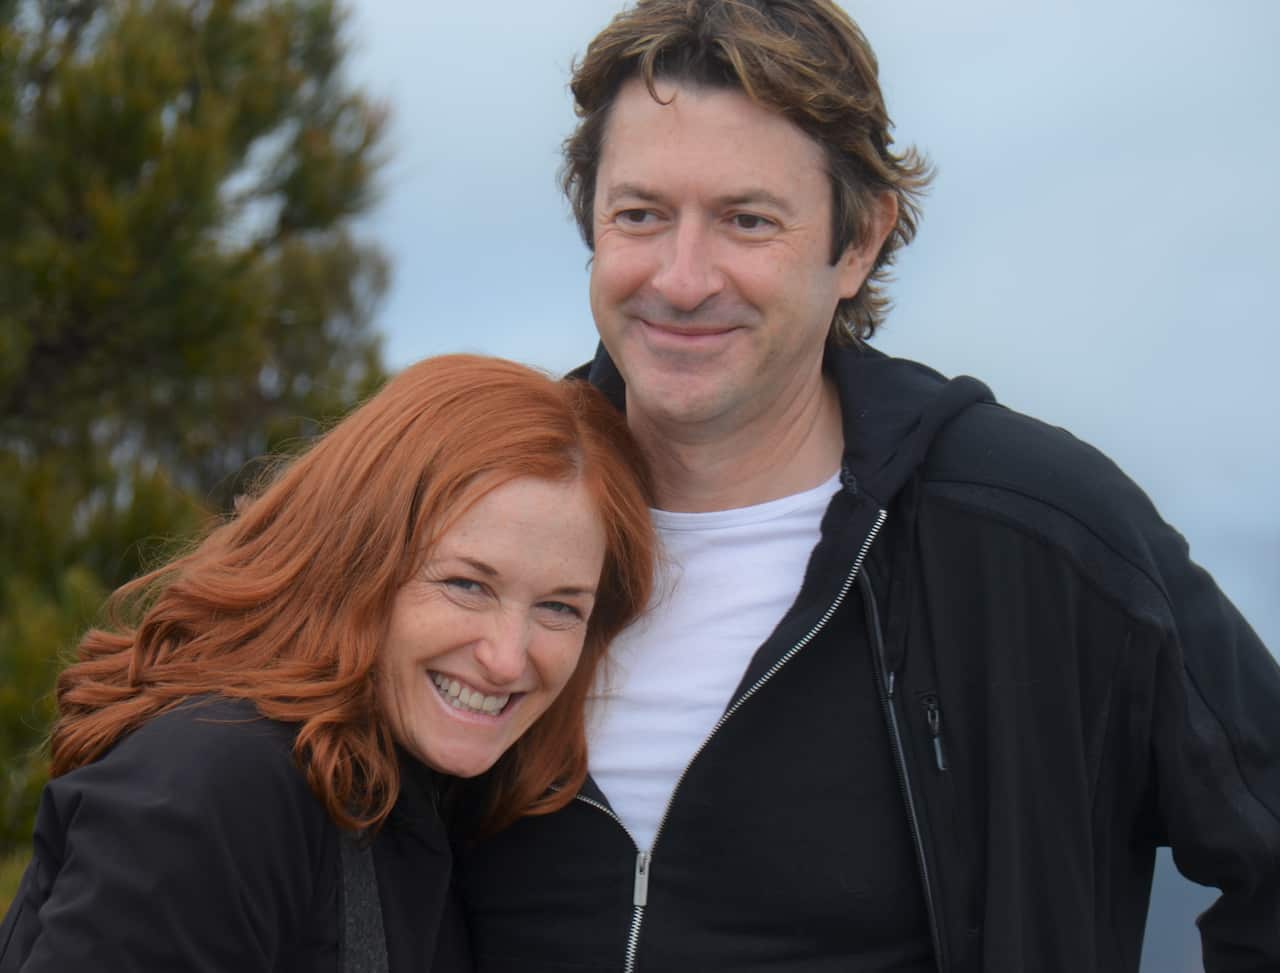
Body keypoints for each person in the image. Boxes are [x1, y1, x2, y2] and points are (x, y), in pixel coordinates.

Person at [454, 2, 1280, 971]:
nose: (680, 279)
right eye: (639, 214)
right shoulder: (468, 509)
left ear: (855, 242)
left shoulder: (1029, 526)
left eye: (745, 221)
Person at [0, 354, 655, 972]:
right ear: (352, 560)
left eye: (560, 608)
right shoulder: (215, 787)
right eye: (466, 585)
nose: (507, 657)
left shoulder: (424, 799)